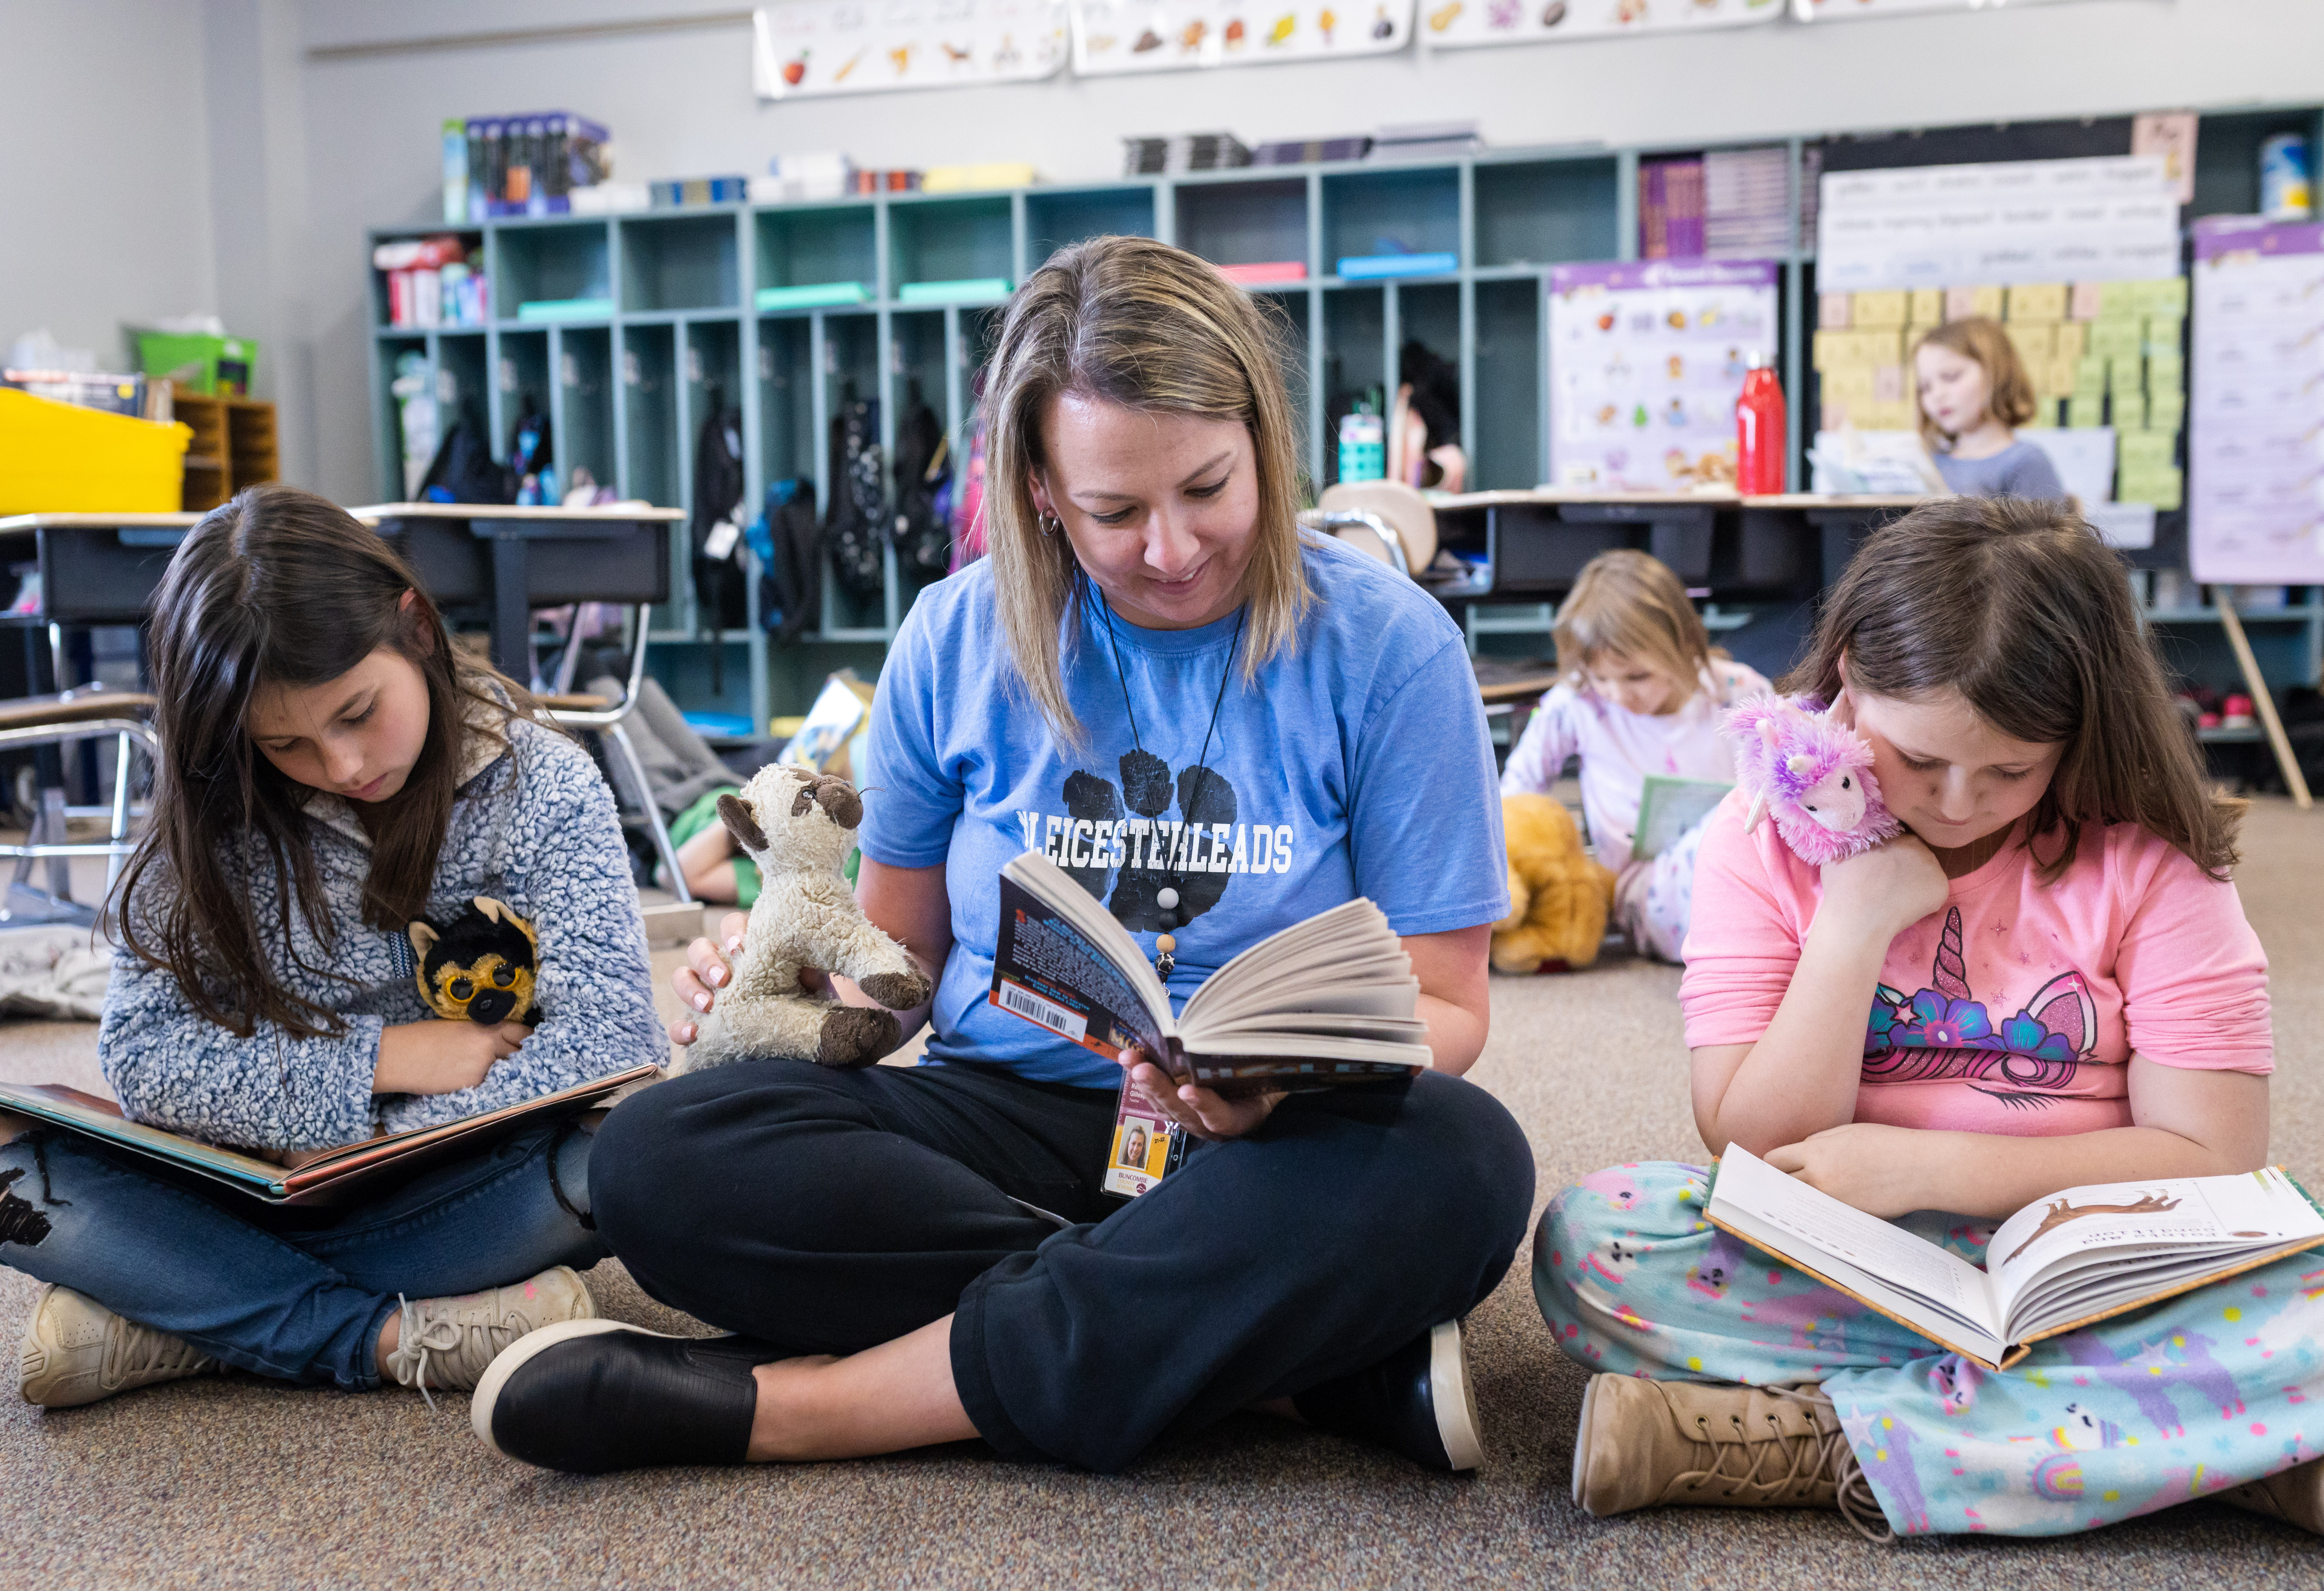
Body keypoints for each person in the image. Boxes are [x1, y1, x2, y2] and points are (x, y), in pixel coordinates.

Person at [471, 234, 1534, 1478]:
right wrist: (784, 1000)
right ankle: (1281, 1360)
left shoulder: (1390, 648)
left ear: (1265, 440)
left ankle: (808, 1409)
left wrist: (1280, 1088)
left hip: (1278, 1148)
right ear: (1036, 484)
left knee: (1461, 1164)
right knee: (660, 1156)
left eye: (1208, 488)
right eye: (1115, 511)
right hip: (1005, 1123)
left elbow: (1448, 1003)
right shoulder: (956, 639)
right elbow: (901, 964)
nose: (1174, 549)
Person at [1534, 500, 2324, 1542]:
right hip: (1853, 1251)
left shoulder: (2150, 855)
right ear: (1843, 687)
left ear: (2081, 733)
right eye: (1919, 761)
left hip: (2100, 1252)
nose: (1962, 802)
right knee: (1593, 1243)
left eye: (2014, 771)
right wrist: (1853, 921)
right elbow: (1750, 1138)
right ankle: (2215, 1453)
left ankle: (1820, 1446)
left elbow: (2216, 1152)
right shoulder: (1757, 835)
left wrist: (1927, 1169)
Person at [0, 484, 667, 1408]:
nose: (344, 766)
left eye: (358, 713)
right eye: (287, 743)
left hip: (468, 1187)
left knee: (630, 1158)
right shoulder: (213, 807)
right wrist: (385, 1064)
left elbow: (609, 1041)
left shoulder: (544, 784)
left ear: (418, 631)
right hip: (263, 1179)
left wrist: (385, 1143)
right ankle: (388, 1338)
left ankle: (178, 1307)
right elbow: (147, 1060)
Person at [1498, 550, 1766, 963]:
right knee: (1722, 832)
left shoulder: (1736, 691)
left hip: (1752, 869)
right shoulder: (1578, 703)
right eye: (1600, 678)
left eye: (1638, 677)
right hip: (1643, 890)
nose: (1619, 694)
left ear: (1685, 646)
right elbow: (1514, 798)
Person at [1912, 317, 2067, 501]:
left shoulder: (2025, 462)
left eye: (1951, 377)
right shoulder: (1927, 463)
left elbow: (2048, 531)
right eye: (1925, 387)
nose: (1937, 395)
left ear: (1996, 374)